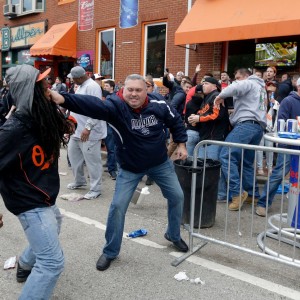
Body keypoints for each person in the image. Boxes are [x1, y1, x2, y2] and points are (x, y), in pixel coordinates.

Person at [50, 74, 189, 271]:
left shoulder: (159, 103)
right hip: (130, 167)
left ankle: (173, 235)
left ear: (146, 90)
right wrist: (63, 98)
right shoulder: (116, 106)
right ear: (123, 90)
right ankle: (110, 251)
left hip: (159, 163)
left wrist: (182, 144)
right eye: (129, 90)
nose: (133, 94)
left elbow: (175, 121)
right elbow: (92, 105)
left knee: (177, 196)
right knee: (117, 207)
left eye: (138, 90)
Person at [0, 64, 73, 299]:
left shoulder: (43, 115)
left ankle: (25, 262)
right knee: (52, 263)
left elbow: (66, 123)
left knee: (57, 221)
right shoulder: (13, 130)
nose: (47, 88)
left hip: (45, 193)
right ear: (28, 91)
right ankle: (31, 264)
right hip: (29, 201)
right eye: (42, 85)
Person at [214, 68, 267, 210]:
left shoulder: (249, 82)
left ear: (245, 76)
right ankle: (252, 195)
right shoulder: (261, 88)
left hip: (247, 125)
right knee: (247, 162)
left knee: (226, 155)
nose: (236, 80)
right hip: (257, 128)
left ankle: (237, 194)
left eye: (237, 77)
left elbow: (237, 86)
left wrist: (220, 96)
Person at [256, 78, 300, 216]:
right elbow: (281, 123)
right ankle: (263, 203)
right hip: (288, 145)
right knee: (279, 174)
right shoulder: (288, 101)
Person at [67, 66, 107, 199]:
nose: (72, 81)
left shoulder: (92, 87)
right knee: (74, 157)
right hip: (77, 130)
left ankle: (96, 189)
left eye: (73, 79)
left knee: (92, 161)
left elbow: (97, 109)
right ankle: (79, 181)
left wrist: (88, 127)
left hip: (89, 132)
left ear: (78, 77)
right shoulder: (81, 86)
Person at [188, 77, 229, 160]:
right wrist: (193, 119)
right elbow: (202, 114)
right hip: (204, 138)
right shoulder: (206, 98)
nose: (203, 85)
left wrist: (199, 118)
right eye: (203, 84)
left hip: (214, 139)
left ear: (214, 86)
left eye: (206, 83)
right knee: (202, 166)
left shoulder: (216, 96)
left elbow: (217, 115)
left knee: (212, 167)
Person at [103, 80, 118, 180]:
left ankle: (112, 169)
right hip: (108, 125)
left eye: (107, 86)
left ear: (112, 87)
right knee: (111, 148)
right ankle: (111, 168)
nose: (105, 87)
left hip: (112, 126)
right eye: (104, 85)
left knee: (112, 149)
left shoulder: (112, 97)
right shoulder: (108, 96)